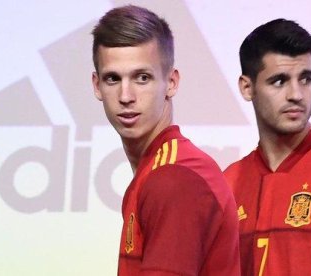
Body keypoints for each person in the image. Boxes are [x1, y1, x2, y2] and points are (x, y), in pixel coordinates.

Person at [91, 5, 240, 275]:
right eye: (113, 79)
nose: (126, 96)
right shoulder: (156, 172)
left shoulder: (173, 179)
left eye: (142, 78)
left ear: (171, 82)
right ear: (96, 86)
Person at [223, 18, 311, 275]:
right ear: (247, 87)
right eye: (279, 81)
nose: (297, 94)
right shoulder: (229, 182)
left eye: (305, 79)